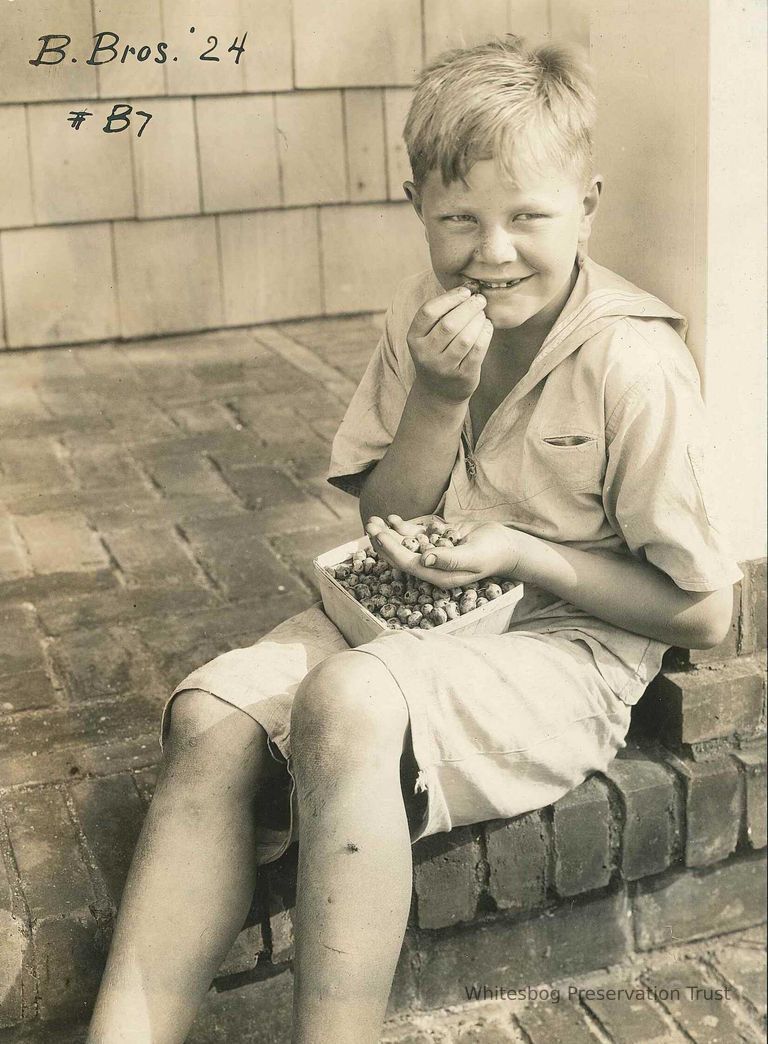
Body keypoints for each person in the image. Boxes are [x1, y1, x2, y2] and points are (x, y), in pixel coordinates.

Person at [86, 36, 741, 1044]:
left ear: (589, 205)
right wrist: (439, 396)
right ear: (415, 210)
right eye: (459, 220)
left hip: (565, 648)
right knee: (207, 714)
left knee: (346, 702)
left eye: (528, 217)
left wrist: (524, 553)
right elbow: (385, 513)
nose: (494, 251)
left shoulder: (632, 363)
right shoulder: (427, 324)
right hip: (432, 623)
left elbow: (706, 607)